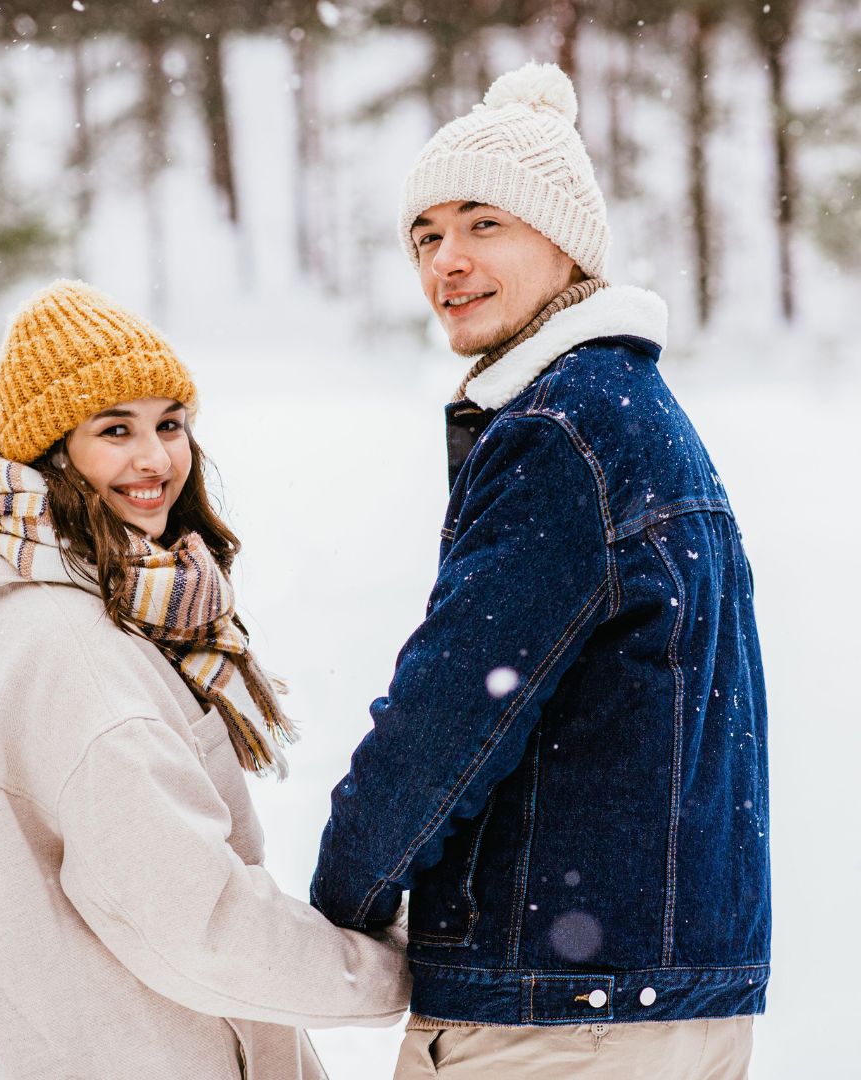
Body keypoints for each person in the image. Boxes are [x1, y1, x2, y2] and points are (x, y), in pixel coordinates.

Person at [310, 61, 769, 1079]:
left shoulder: (563, 430)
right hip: (669, 995)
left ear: (565, 242)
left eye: (484, 224)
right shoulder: (640, 416)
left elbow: (454, 708)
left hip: (559, 1017)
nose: (447, 261)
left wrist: (342, 895)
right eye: (426, 236)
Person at [0, 280, 411, 1079]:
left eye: (170, 424)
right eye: (115, 429)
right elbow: (200, 926)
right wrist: (395, 970)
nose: (155, 459)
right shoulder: (79, 651)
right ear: (52, 451)